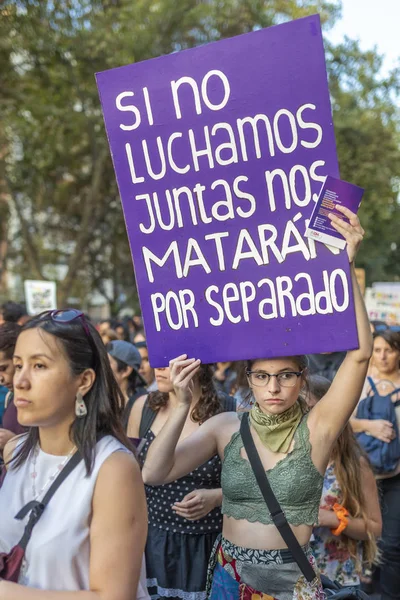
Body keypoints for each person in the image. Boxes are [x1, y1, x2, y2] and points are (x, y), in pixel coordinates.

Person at [141, 206, 372, 598]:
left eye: (286, 375)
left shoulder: (318, 428)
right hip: (228, 579)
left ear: (301, 379)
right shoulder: (227, 426)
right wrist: (180, 405)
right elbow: (155, 473)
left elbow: (359, 356)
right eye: (262, 376)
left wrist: (344, 267)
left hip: (289, 582)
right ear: (249, 379)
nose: (274, 387)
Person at [0, 309, 148, 598]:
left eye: (39, 366)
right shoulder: (15, 451)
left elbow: (113, 595)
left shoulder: (112, 468)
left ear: (83, 381)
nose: (20, 380)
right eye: (18, 366)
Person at [128, 362, 236, 600]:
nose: (159, 367)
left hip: (207, 543)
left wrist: (217, 497)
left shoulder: (230, 410)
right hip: (152, 541)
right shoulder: (143, 407)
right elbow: (130, 477)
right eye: (157, 359)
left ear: (197, 366)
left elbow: (253, 484)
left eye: (170, 362)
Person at [306, 375, 381, 588]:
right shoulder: (282, 456)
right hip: (291, 577)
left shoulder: (353, 464)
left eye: (310, 409)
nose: (305, 418)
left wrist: (333, 519)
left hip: (336, 579)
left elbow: (374, 527)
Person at [351, 329, 400, 599]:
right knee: (366, 538)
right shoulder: (360, 382)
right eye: (378, 350)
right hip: (362, 474)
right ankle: (365, 589)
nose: (382, 356)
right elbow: (342, 418)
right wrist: (370, 426)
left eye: (389, 350)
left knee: (392, 543)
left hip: (396, 477)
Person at [106, 340, 148, 427]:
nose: (102, 367)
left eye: (107, 363)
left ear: (126, 371)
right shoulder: (103, 400)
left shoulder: (144, 407)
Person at [0, 322, 25, 455]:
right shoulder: (10, 396)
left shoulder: (44, 399)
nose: (1, 378)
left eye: (3, 369)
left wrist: (14, 443)